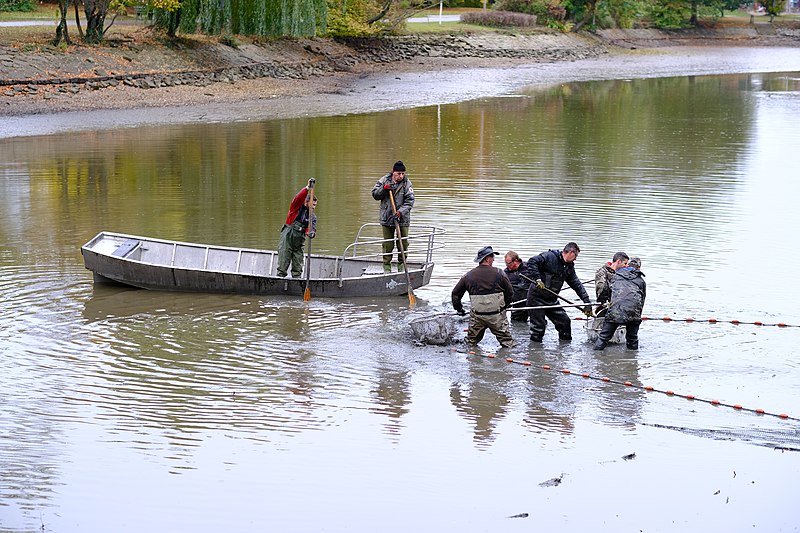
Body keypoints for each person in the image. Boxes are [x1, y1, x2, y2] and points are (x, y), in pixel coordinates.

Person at [525, 242, 593, 342]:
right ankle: (535, 353)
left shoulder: (569, 267)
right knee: (538, 328)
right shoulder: (549, 256)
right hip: (536, 298)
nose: (575, 259)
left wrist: (587, 301)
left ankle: (565, 348)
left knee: (565, 323)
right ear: (570, 252)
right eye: (576, 256)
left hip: (552, 299)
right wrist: (537, 279)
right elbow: (532, 262)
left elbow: (576, 284)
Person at [452, 246, 514, 348]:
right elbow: (510, 293)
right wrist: (504, 307)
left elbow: (455, 294)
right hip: (497, 316)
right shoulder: (500, 273)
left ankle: (472, 359)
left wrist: (459, 309)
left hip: (477, 317)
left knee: (470, 344)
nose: (494, 259)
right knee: (508, 344)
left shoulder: (468, 276)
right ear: (487, 259)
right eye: (492, 257)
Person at [371, 160, 415, 273]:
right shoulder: (384, 180)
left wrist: (400, 212)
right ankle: (386, 266)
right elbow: (375, 194)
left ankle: (402, 265)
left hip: (402, 218)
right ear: (393, 172)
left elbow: (410, 201)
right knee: (388, 244)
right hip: (387, 218)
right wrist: (384, 189)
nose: (401, 176)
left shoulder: (407, 184)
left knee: (403, 243)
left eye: (403, 173)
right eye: (399, 173)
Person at [594, 257, 646, 351]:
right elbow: (642, 301)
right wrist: (637, 317)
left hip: (615, 312)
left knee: (603, 338)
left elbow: (606, 293)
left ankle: (596, 356)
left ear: (628, 266)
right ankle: (632, 360)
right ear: (638, 268)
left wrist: (603, 304)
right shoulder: (641, 281)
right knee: (632, 339)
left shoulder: (615, 276)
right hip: (633, 314)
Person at [277, 179, 317, 278]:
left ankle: (297, 282)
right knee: (283, 263)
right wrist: (307, 188)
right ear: (306, 202)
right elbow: (298, 198)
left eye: (316, 205)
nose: (314, 207)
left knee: (298, 267)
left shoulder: (312, 217)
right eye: (313, 204)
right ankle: (279, 280)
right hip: (287, 239)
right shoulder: (295, 208)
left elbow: (311, 229)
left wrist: (311, 233)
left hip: (299, 242)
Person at [504, 250, 532, 322]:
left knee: (538, 323)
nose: (507, 266)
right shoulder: (505, 273)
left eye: (509, 263)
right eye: (506, 264)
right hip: (516, 304)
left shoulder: (529, 268)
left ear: (516, 261)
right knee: (516, 323)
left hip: (531, 302)